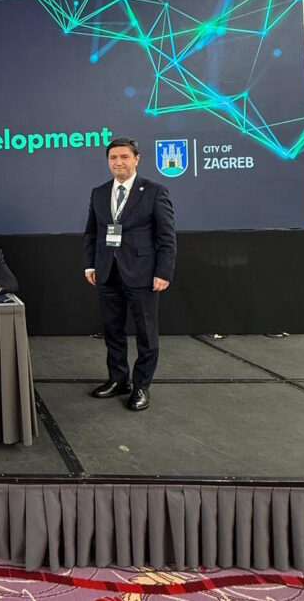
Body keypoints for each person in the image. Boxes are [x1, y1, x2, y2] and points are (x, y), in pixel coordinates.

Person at [83, 137, 176, 411]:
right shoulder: (99, 193)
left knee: (146, 333)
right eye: (113, 158)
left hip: (143, 274)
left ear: (137, 159)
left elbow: (167, 236)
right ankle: (118, 379)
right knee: (113, 330)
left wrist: (163, 272)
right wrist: (90, 265)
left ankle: (141, 386)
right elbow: (92, 232)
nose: (119, 162)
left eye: (124, 157)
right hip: (107, 272)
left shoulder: (155, 191)